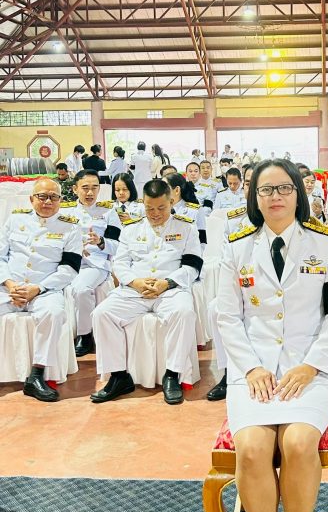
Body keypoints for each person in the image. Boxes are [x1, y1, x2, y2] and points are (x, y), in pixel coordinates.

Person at [216, 159, 328, 512]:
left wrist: (312, 364)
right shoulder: (236, 246)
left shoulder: (325, 243)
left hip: (310, 370)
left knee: (298, 442)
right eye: (265, 190)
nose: (275, 197)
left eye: (283, 188)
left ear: (298, 192)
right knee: (253, 448)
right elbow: (226, 317)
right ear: (254, 197)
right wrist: (251, 367)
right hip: (253, 371)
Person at [91, 179, 202, 405]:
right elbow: (120, 263)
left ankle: (172, 374)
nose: (155, 214)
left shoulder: (186, 228)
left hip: (170, 290)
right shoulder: (131, 229)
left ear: (171, 202)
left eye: (161, 208)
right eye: (150, 208)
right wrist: (136, 282)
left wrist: (167, 283)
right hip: (135, 291)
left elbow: (193, 266)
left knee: (184, 312)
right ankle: (119, 376)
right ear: (143, 203)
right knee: (102, 314)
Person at [0, 177, 82, 401]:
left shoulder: (71, 227)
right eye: (42, 196)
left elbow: (70, 268)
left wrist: (38, 288)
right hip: (10, 287)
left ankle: (37, 375)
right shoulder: (15, 220)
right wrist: (9, 284)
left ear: (60, 200)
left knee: (54, 313)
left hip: (45, 290)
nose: (48, 201)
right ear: (31, 199)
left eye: (53, 197)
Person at [206, 165, 256, 402]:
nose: (251, 188)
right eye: (248, 184)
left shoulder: (281, 214)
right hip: (244, 282)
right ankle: (228, 373)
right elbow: (228, 260)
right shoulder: (234, 219)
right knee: (216, 308)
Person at [64, 170, 122, 356]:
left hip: (94, 263)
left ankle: (85, 335)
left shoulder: (108, 212)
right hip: (68, 262)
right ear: (75, 189)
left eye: (94, 188)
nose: (90, 193)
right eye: (85, 188)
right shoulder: (65, 212)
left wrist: (101, 242)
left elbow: (117, 245)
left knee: (81, 289)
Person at [164, 173, 206, 244]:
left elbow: (202, 241)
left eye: (164, 187)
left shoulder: (195, 211)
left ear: (177, 190)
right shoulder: (160, 210)